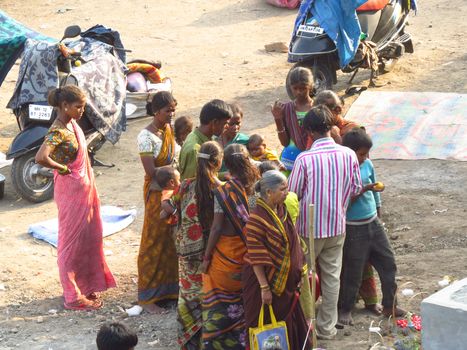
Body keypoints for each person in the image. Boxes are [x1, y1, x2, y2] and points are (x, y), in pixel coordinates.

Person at [35, 86, 115, 310]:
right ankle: (72, 296)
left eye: (83, 106)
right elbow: (41, 157)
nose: (82, 110)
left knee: (87, 237)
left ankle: (85, 284)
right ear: (64, 106)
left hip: (82, 190)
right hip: (71, 192)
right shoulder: (58, 131)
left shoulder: (71, 124)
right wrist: (63, 169)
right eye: (78, 107)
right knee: (70, 244)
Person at [288, 105, 362, 340]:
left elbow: (292, 194)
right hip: (337, 225)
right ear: (331, 126)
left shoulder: (305, 159)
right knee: (331, 278)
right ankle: (327, 328)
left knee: (306, 278)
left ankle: (307, 328)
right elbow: (356, 188)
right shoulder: (348, 154)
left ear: (308, 131)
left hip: (308, 229)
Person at [313, 91, 379, 314]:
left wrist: (334, 137)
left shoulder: (351, 129)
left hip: (354, 207)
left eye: (331, 108)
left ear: (339, 109)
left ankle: (368, 301)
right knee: (337, 263)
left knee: (359, 260)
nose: (328, 112)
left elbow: (358, 163)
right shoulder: (321, 134)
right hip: (336, 208)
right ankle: (342, 304)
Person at [338, 128, 405, 325]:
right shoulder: (342, 171)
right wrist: (362, 190)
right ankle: (345, 309)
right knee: (353, 271)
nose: (365, 157)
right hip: (353, 227)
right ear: (350, 153)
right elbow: (343, 202)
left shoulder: (367, 164)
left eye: (367, 153)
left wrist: (378, 211)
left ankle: (389, 304)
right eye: (361, 154)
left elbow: (375, 189)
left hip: (372, 223)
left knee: (388, 264)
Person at [243, 170, 311, 350]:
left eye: (287, 188)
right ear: (268, 192)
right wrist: (265, 288)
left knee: (291, 323)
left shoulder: (282, 209)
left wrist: (299, 270)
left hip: (287, 285)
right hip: (264, 285)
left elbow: (293, 240)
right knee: (265, 324)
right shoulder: (256, 220)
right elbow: (256, 258)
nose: (287, 192)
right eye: (283, 189)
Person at [201, 143, 259, 349]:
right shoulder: (255, 189)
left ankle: (217, 342)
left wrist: (206, 257)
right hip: (249, 255)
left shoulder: (224, 191)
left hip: (224, 257)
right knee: (245, 300)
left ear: (226, 164)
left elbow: (216, 228)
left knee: (218, 300)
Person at [174, 141, 223, 350]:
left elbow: (175, 207)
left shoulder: (185, 185)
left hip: (187, 254)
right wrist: (207, 257)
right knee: (209, 298)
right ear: (218, 162)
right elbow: (218, 227)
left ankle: (188, 342)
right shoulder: (220, 190)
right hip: (211, 255)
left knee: (187, 297)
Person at [136, 91, 178, 313]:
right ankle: (148, 297)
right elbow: (152, 171)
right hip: (156, 192)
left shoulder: (168, 130)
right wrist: (174, 173)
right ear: (155, 111)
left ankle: (168, 290)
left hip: (170, 189)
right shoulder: (146, 137)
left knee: (169, 239)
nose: (171, 114)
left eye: (173, 109)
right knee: (152, 240)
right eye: (167, 110)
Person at [271, 66, 313, 173]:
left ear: (310, 87)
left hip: (312, 158)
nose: (298, 92)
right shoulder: (286, 109)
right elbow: (284, 142)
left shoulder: (317, 108)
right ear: (290, 87)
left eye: (302, 88)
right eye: (295, 88)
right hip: (290, 160)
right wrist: (278, 119)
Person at [179, 99, 232, 180]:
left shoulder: (205, 137)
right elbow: (193, 183)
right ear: (215, 122)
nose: (227, 127)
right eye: (225, 123)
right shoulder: (194, 149)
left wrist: (224, 175)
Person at [216, 102, 250, 178]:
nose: (235, 127)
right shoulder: (213, 141)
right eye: (231, 124)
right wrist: (223, 175)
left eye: (238, 123)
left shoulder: (245, 141)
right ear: (224, 122)